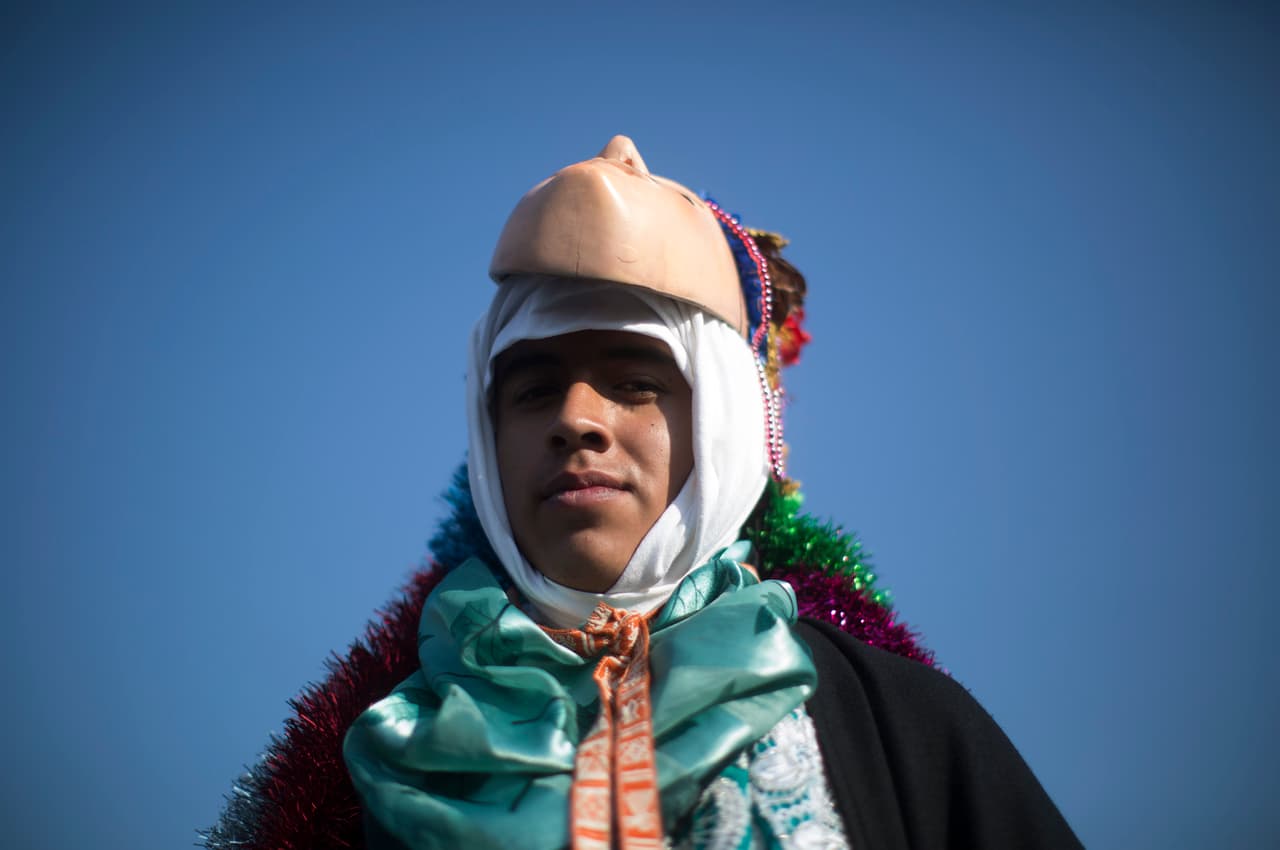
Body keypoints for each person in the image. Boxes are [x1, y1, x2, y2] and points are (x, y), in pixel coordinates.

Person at [203, 136, 1082, 850]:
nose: (575, 421)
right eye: (533, 390)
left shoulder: (899, 727)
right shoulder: (361, 766)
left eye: (634, 383)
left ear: (724, 424)